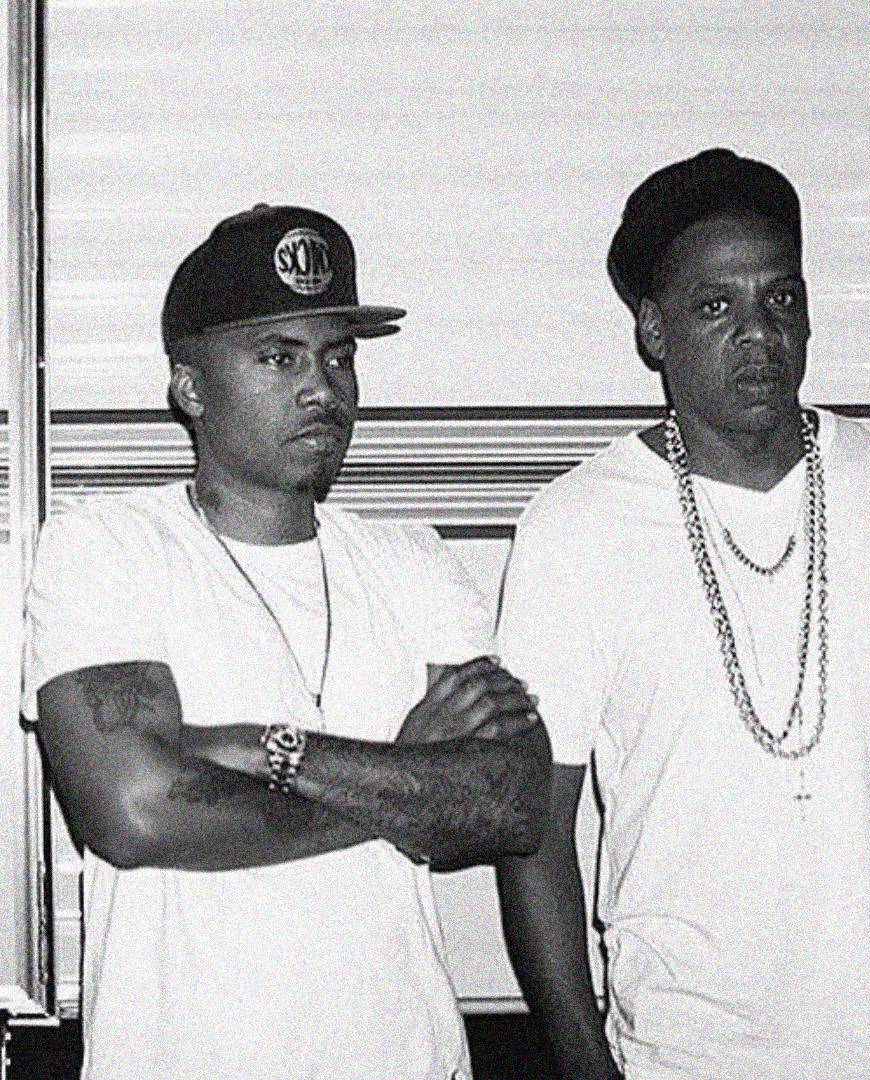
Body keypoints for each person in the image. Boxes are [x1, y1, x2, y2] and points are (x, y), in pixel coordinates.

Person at [494, 150, 870, 1080]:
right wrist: (584, 1066)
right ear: (654, 331)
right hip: (690, 1054)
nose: (760, 333)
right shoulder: (574, 529)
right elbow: (536, 835)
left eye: (781, 299)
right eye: (717, 307)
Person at [23, 203, 551, 1080]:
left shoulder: (411, 561)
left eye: (337, 356)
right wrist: (406, 780)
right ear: (190, 387)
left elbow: (510, 804)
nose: (323, 388)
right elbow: (133, 812)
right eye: (279, 357)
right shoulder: (106, 551)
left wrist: (261, 750)